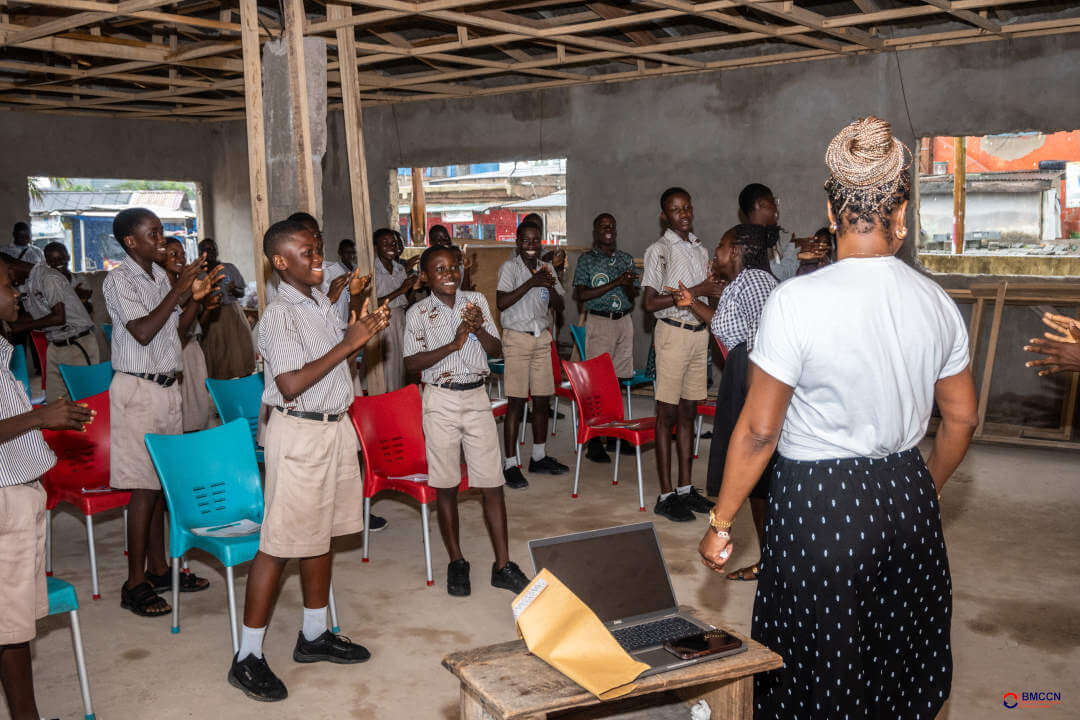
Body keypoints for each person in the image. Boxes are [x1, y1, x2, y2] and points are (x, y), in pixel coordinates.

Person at [699, 117, 978, 719]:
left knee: (813, 671)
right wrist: (920, 489)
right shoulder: (937, 303)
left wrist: (721, 521)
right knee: (897, 664)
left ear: (832, 208)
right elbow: (961, 421)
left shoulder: (796, 301)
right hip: (907, 495)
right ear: (900, 214)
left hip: (819, 502)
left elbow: (759, 429)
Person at [230, 219, 390, 702]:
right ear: (280, 262)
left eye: (318, 247)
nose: (317, 255)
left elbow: (330, 361)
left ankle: (314, 634)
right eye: (306, 250)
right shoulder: (280, 313)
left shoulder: (318, 301)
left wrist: (354, 326)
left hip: (333, 427)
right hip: (299, 433)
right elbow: (289, 384)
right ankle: (247, 657)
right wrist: (349, 342)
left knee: (319, 534)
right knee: (279, 543)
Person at [104, 208, 217, 617]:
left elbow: (175, 331)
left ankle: (158, 569)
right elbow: (141, 330)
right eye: (152, 234)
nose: (160, 239)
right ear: (130, 241)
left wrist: (195, 302)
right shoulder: (119, 279)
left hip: (167, 386)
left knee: (160, 486)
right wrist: (180, 289)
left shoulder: (157, 278)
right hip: (138, 390)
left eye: (160, 231)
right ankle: (133, 583)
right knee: (142, 488)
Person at [404, 245, 530, 597]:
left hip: (477, 397)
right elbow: (411, 365)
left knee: (492, 482)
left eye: (453, 267)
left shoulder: (475, 301)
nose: (448, 274)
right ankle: (457, 560)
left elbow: (496, 350)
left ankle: (503, 565)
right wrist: (453, 344)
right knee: (446, 485)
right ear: (426, 276)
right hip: (440, 399)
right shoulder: (417, 313)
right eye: (439, 269)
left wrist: (476, 330)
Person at [0, 256, 95, 720]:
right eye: (6, 285)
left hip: (18, 494)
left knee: (10, 622)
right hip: (4, 500)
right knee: (10, 626)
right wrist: (40, 417)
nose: (16, 293)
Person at [670, 224, 778, 580]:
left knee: (761, 473)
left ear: (736, 251)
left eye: (720, 246)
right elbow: (728, 327)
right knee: (754, 480)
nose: (716, 253)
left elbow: (766, 340)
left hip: (755, 378)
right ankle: (770, 560)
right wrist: (693, 304)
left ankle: (774, 562)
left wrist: (754, 388)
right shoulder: (742, 284)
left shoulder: (756, 282)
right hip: (741, 372)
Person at [641, 187, 721, 522]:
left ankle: (686, 488)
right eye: (675, 210)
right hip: (672, 333)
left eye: (687, 207)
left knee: (689, 411)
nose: (684, 214)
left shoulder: (700, 248)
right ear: (665, 216)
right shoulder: (659, 250)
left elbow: (711, 290)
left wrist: (712, 290)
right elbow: (649, 303)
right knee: (667, 415)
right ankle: (665, 495)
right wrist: (700, 290)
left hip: (698, 335)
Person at [496, 221, 568, 489]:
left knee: (541, 400)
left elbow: (560, 304)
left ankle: (539, 456)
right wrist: (531, 282)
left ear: (541, 242)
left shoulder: (547, 268)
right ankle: (510, 463)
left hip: (541, 338)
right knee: (516, 402)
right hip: (516, 339)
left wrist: (549, 284)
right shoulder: (509, 268)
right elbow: (501, 302)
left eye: (535, 240)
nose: (530, 245)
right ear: (517, 242)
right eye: (525, 240)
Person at [572, 213, 639, 463]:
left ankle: (614, 437)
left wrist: (629, 285)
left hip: (624, 321)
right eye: (603, 226)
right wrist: (616, 282)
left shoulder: (626, 259)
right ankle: (593, 442)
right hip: (600, 322)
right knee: (596, 385)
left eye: (612, 226)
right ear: (595, 232)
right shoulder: (587, 260)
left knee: (619, 381)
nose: (608, 230)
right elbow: (581, 295)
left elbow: (633, 296)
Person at [1, 252, 99, 404]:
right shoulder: (28, 283)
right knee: (55, 401)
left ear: (11, 267)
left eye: (8, 281)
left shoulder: (47, 277)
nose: (12, 285)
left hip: (77, 343)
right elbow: (35, 316)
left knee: (85, 400)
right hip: (55, 344)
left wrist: (19, 327)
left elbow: (59, 317)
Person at [158, 239, 216, 432]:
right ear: (160, 258)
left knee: (198, 406)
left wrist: (205, 307)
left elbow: (197, 326)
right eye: (173, 254)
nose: (181, 259)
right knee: (182, 410)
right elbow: (178, 330)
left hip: (191, 347)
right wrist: (195, 300)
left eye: (182, 254)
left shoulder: (186, 282)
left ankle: (196, 443)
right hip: (176, 351)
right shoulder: (163, 287)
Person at [198, 238, 256, 381]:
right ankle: (221, 390)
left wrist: (234, 289)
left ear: (217, 251)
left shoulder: (229, 268)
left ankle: (244, 386)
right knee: (217, 355)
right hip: (212, 316)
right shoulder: (197, 274)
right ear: (200, 253)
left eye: (212, 249)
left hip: (233, 313)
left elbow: (241, 293)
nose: (210, 252)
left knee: (239, 352)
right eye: (206, 249)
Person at [373, 228, 417, 393]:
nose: (391, 246)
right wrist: (401, 289)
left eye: (393, 243)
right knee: (387, 366)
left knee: (400, 364)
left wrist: (413, 287)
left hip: (399, 318)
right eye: (385, 244)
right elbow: (373, 304)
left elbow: (406, 301)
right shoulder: (372, 271)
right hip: (382, 321)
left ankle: (398, 397)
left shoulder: (399, 268)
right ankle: (384, 398)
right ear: (376, 246)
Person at [738, 184, 798, 282]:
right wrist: (794, 250)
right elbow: (778, 275)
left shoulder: (766, 236)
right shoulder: (751, 242)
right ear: (760, 205)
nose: (775, 207)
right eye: (772, 202)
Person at [43, 242, 94, 313]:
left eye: (61, 258)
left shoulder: (80, 279)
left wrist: (83, 300)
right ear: (47, 263)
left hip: (81, 322)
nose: (58, 262)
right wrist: (74, 295)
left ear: (68, 257)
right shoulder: (46, 283)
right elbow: (49, 312)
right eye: (52, 260)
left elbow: (89, 310)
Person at [430, 224, 475, 291]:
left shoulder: (457, 257)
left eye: (446, 237)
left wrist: (466, 268)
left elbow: (465, 290)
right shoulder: (429, 261)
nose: (444, 240)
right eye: (439, 239)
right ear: (431, 243)